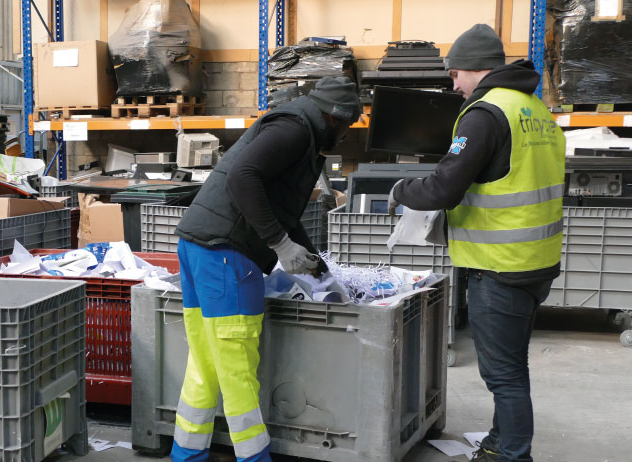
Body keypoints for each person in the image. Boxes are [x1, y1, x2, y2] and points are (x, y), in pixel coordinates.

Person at [388, 24, 566, 462]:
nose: (454, 85)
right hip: (536, 259)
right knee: (512, 365)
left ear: (476, 70)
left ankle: (513, 455)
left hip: (498, 263)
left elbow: (443, 189)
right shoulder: (534, 108)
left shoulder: (485, 113)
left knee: (503, 375)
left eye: (455, 75)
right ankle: (500, 442)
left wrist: (399, 190)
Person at [170, 76, 361, 462]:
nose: (345, 136)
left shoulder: (297, 127)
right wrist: (280, 244)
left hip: (198, 247)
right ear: (335, 118)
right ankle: (255, 458)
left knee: (205, 364)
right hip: (227, 254)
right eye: (347, 127)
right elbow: (244, 177)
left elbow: (281, 208)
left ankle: (186, 455)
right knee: (238, 370)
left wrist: (317, 270)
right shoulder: (295, 130)